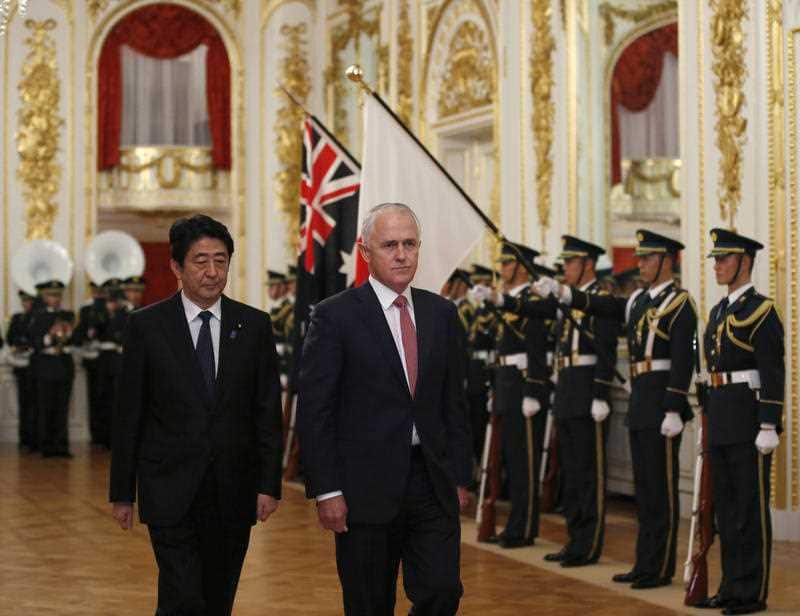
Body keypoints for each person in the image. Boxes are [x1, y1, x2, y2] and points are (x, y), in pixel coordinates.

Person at [297, 202, 472, 616]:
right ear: (365, 252)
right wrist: (327, 489)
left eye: (409, 244)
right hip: (363, 490)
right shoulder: (334, 316)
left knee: (443, 590)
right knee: (369, 603)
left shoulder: (442, 313)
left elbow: (455, 403)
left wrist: (460, 474)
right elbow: (316, 410)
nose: (401, 254)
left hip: (431, 482)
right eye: (390, 244)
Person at [109, 214, 284, 616]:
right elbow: (128, 415)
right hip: (169, 487)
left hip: (233, 489)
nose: (211, 271)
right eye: (200, 261)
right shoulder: (147, 327)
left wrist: (268, 484)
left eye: (220, 260)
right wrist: (122, 491)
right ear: (176, 267)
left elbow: (266, 412)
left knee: (218, 598)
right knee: (182, 597)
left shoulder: (254, 325)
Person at [535, 229, 696, 588]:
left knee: (661, 490)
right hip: (640, 399)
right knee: (644, 491)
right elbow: (605, 307)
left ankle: (660, 566)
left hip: (661, 402)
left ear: (667, 261)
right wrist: (565, 293)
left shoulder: (679, 303)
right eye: (640, 257)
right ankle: (645, 563)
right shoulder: (638, 300)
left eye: (647, 258)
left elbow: (684, 358)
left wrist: (674, 404)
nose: (640, 264)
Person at [483, 236, 619, 566]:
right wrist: (499, 301)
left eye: (570, 263)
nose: (565, 269)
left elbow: (606, 349)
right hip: (567, 391)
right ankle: (575, 540)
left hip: (587, 391)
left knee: (588, 473)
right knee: (571, 474)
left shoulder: (601, 298)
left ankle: (588, 544)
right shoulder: (564, 299)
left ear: (587, 263)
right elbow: (533, 309)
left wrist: (600, 393)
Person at [695, 229, 783, 615]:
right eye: (715, 259)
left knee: (749, 508)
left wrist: (769, 422)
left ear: (745, 261)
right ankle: (730, 586)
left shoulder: (762, 311)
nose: (717, 265)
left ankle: (751, 591)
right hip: (721, 415)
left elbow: (773, 371)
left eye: (724, 259)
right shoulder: (718, 312)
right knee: (725, 511)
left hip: (748, 418)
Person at [473, 242, 550, 549]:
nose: (503, 269)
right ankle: (513, 524)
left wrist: (533, 388)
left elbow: (537, 348)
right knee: (507, 459)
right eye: (502, 263)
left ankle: (524, 527)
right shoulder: (506, 301)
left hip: (522, 385)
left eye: (507, 264)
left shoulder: (532, 300)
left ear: (521, 266)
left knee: (524, 463)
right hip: (505, 382)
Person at [28, 280, 75, 458]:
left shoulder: (67, 315)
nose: (55, 299)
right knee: (45, 407)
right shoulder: (37, 316)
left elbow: (76, 339)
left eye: (58, 295)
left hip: (63, 366)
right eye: (51, 295)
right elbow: (34, 342)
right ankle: (46, 446)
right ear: (44, 296)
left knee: (62, 409)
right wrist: (49, 336)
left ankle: (61, 446)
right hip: (45, 367)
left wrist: (68, 333)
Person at [73, 282, 108, 447]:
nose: (99, 294)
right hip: (92, 361)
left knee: (110, 401)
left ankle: (110, 437)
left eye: (102, 291)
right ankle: (97, 437)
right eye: (96, 291)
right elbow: (79, 334)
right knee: (94, 399)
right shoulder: (86, 310)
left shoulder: (112, 309)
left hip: (108, 360)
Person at [6, 290, 37, 452]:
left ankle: (36, 440)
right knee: (24, 404)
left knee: (37, 404)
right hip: (20, 366)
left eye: (30, 301)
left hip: (35, 366)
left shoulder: (39, 317)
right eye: (25, 301)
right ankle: (25, 439)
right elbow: (10, 337)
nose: (27, 304)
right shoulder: (17, 318)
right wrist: (20, 343)